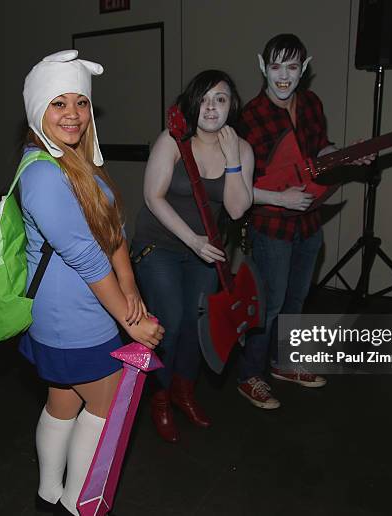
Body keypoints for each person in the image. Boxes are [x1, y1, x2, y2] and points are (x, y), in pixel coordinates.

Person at [18, 50, 164, 515]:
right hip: (71, 317)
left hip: (82, 309)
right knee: (106, 407)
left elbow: (111, 229)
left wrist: (131, 286)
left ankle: (48, 497)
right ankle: (76, 506)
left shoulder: (78, 161)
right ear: (38, 109)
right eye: (58, 103)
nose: (73, 114)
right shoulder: (43, 173)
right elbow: (83, 254)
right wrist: (131, 320)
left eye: (80, 102)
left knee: (63, 402)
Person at [235, 34, 373, 409]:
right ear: (262, 66)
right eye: (276, 66)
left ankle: (285, 364)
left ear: (304, 67)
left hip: (309, 221)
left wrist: (344, 156)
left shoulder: (311, 103)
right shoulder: (248, 117)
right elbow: (237, 186)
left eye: (292, 67)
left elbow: (319, 151)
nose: (284, 76)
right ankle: (250, 375)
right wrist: (281, 198)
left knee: (297, 298)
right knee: (269, 303)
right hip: (271, 226)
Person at [132, 70, 254, 442]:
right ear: (192, 103)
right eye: (204, 98)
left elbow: (236, 211)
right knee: (170, 319)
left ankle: (185, 392)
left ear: (231, 105)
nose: (212, 107)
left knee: (197, 325)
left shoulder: (242, 148)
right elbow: (152, 197)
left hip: (206, 251)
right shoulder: (172, 140)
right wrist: (192, 240)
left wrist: (233, 159)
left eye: (220, 98)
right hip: (161, 245)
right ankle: (161, 398)